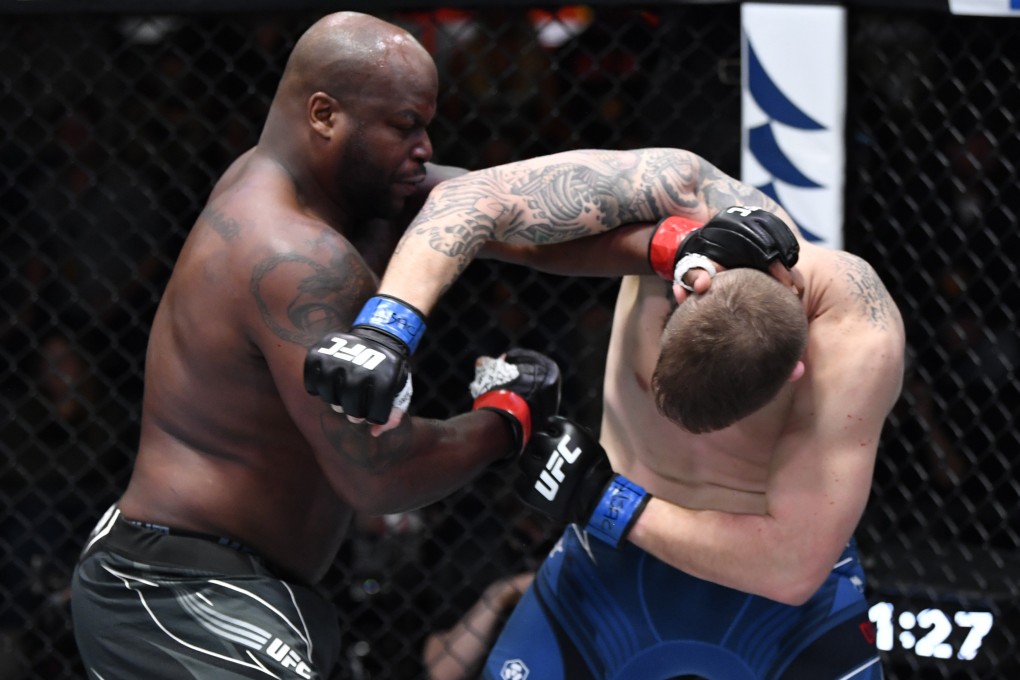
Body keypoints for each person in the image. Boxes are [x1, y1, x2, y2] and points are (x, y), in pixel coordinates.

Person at [68, 12, 563, 679]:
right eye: (404, 125)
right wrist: (507, 420)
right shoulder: (294, 253)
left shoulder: (295, 186)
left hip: (230, 588)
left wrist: (669, 240)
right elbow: (377, 473)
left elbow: (498, 206)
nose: (424, 146)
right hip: (178, 592)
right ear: (326, 116)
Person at [306, 147, 905, 678]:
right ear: (683, 287)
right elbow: (473, 196)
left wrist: (601, 499)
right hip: (607, 571)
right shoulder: (675, 190)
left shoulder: (854, 334)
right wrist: (387, 332)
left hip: (770, 612)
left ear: (796, 369)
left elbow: (791, 567)